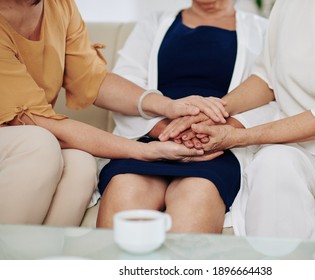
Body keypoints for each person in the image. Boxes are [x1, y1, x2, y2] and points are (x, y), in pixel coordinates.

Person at [160, 0, 315, 241]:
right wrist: (212, 114)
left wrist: (239, 137)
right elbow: (266, 78)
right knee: (272, 163)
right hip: (297, 147)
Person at [0, 0, 229, 226]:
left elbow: (92, 79)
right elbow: (35, 122)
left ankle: (39, 260)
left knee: (81, 165)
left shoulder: (58, 5)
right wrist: (143, 150)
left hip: (30, 133)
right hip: (25, 133)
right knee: (38, 142)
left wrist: (167, 105)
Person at [96, 0, 272, 233]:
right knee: (124, 192)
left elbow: (272, 98)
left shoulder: (264, 30)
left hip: (217, 150)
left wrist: (221, 131)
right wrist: (165, 130)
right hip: (149, 141)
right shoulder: (154, 23)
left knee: (196, 196)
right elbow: (124, 89)